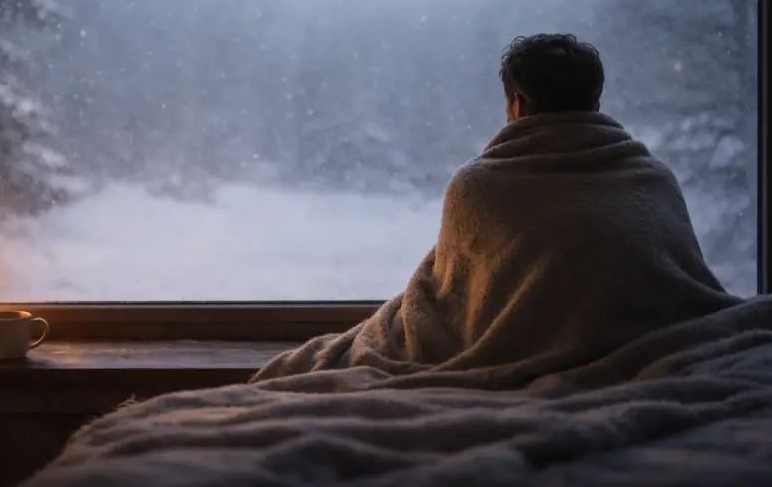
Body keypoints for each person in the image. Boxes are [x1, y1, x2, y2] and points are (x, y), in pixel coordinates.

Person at [252, 33, 739, 385]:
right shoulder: (654, 179)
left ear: (518, 103)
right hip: (652, 351)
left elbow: (448, 303)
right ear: (594, 98)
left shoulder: (477, 186)